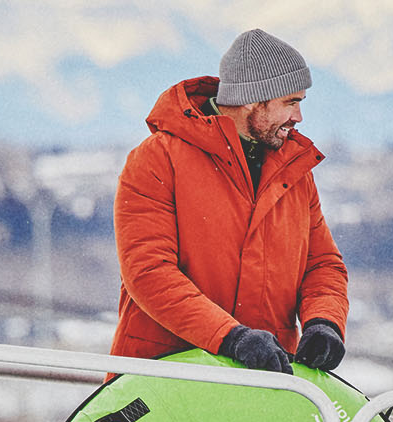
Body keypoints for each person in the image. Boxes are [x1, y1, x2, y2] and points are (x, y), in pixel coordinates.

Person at [110, 29, 348, 375]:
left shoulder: (294, 170)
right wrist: (230, 338)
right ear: (255, 99)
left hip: (266, 380)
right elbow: (149, 273)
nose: (298, 117)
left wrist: (324, 321)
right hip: (164, 381)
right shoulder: (157, 160)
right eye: (291, 102)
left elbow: (322, 263)